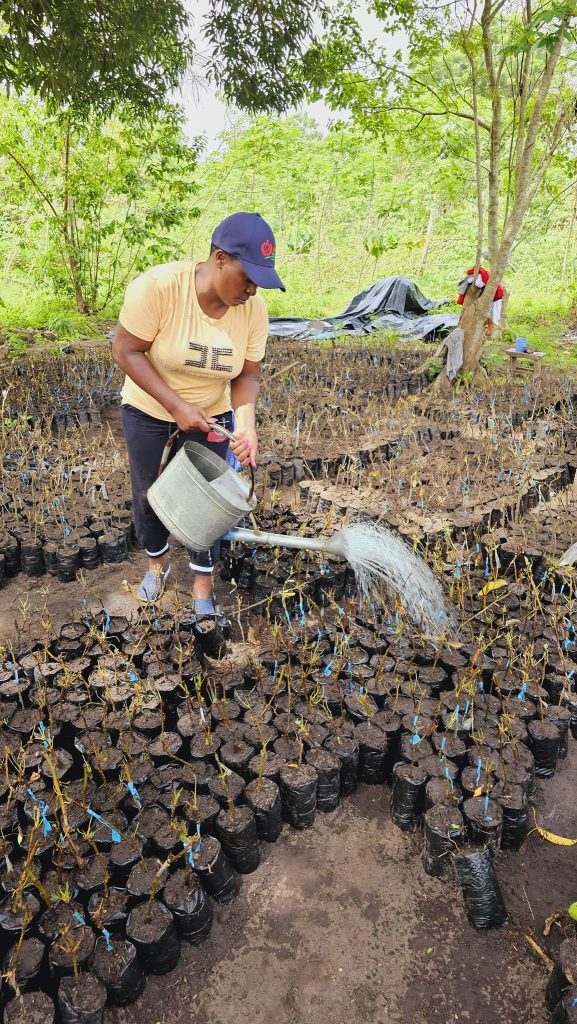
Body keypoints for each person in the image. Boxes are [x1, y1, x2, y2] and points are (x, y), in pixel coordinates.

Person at [112, 211, 285, 615]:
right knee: (150, 491)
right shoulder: (157, 288)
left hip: (211, 414)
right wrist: (175, 405)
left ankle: (203, 588)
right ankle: (157, 564)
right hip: (150, 409)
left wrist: (245, 426)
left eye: (260, 283)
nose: (252, 291)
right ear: (220, 258)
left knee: (207, 500)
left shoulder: (252, 312)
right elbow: (126, 350)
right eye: (248, 278)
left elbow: (247, 376)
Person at [456, 258, 504, 328]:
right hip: (493, 294)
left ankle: (491, 328)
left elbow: (479, 284)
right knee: (491, 313)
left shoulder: (481, 275)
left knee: (493, 313)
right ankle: (489, 327)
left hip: (495, 295)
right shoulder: (482, 274)